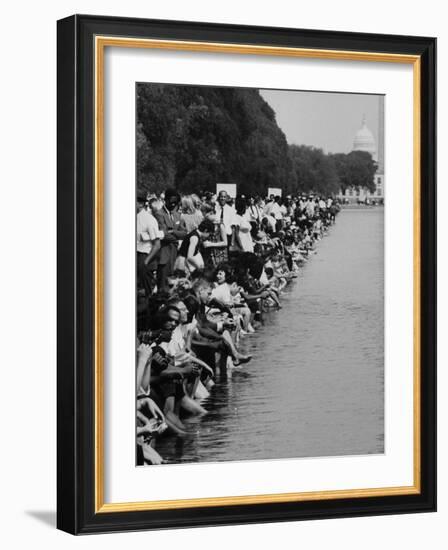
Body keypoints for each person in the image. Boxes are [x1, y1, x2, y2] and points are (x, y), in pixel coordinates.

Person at [154, 188, 187, 291]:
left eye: (176, 202)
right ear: (166, 200)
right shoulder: (159, 214)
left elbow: (185, 233)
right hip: (164, 255)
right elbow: (163, 234)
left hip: (175, 255)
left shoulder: (177, 215)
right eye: (171, 202)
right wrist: (176, 239)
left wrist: (173, 232)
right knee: (163, 285)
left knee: (174, 285)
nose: (173, 205)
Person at [136, 190, 161, 297]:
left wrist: (145, 262)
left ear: (141, 203)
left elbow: (157, 244)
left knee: (145, 295)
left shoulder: (149, 220)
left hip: (144, 257)